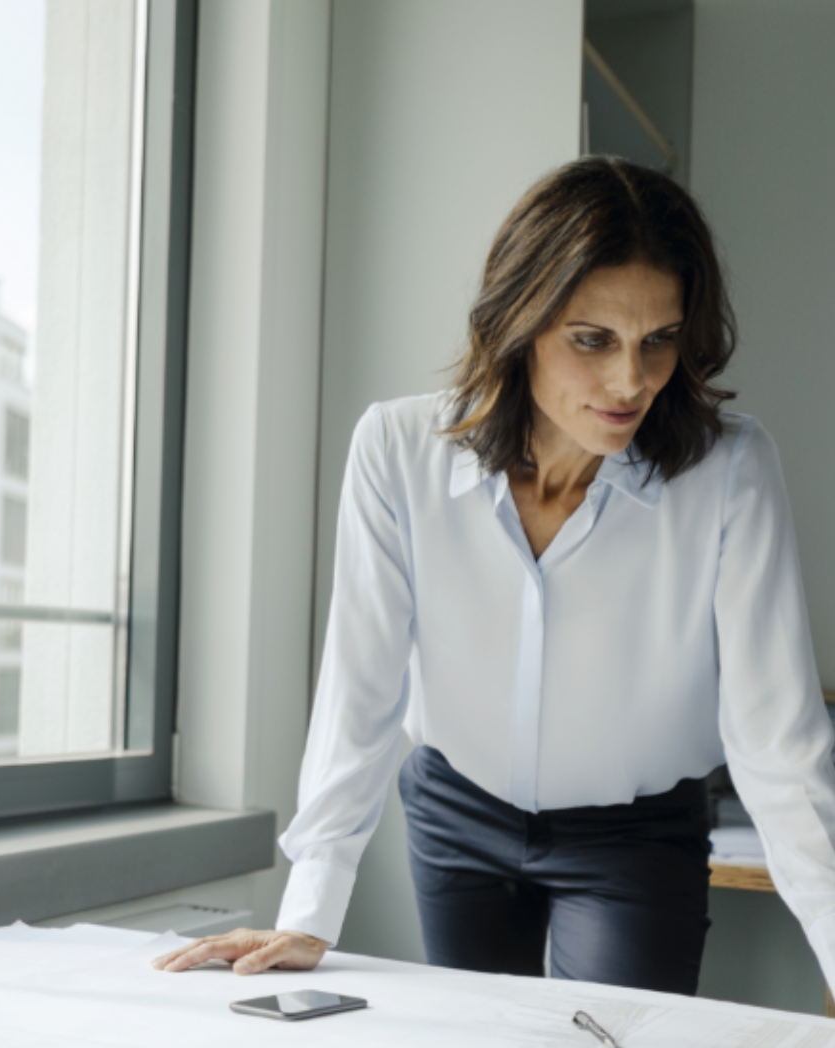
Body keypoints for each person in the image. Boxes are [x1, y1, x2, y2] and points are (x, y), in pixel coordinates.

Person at [153, 157, 835, 996]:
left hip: (635, 837)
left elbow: (777, 737)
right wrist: (309, 910)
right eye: (593, 340)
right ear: (520, 322)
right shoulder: (396, 451)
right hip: (456, 814)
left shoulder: (731, 470)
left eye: (658, 340)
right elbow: (361, 693)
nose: (632, 381)